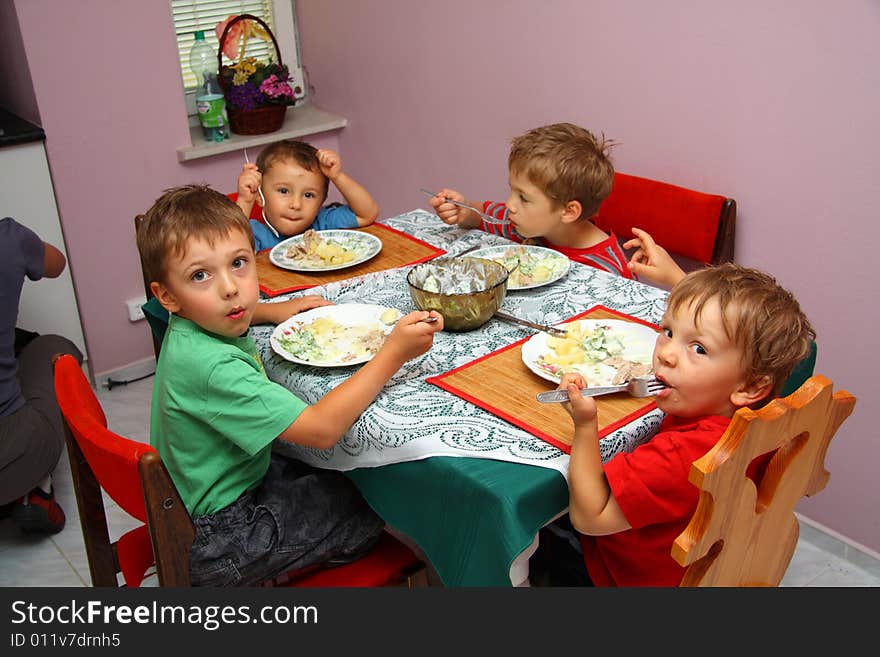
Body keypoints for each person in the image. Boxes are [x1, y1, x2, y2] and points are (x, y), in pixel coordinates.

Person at [136, 184, 442, 586]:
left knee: (340, 474)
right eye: (200, 275)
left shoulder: (189, 326)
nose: (230, 288)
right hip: (223, 536)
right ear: (166, 296)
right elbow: (320, 430)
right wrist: (392, 353)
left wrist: (269, 310)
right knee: (371, 498)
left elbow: (224, 305)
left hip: (209, 497)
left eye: (239, 263)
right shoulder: (212, 368)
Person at [543, 263, 815, 586]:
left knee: (537, 536)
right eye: (668, 331)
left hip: (627, 572)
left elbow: (590, 517)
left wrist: (585, 425)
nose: (667, 354)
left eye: (698, 349)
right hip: (697, 560)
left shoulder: (682, 454)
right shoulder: (751, 414)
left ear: (749, 387)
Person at [427, 122, 633, 278]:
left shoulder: (608, 269)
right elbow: (481, 215)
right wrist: (464, 211)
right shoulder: (521, 224)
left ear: (569, 211)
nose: (509, 204)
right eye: (512, 191)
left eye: (523, 198)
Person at [0, 217, 84, 534]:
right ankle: (37, 489)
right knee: (56, 350)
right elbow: (56, 264)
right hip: (11, 451)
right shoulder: (8, 238)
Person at [236, 139, 379, 252]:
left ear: (322, 201)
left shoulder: (325, 223)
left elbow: (367, 214)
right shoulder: (253, 234)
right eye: (284, 191)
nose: (296, 205)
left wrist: (337, 176)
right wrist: (245, 201)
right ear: (260, 196)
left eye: (309, 195)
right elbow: (227, 247)